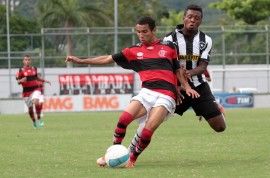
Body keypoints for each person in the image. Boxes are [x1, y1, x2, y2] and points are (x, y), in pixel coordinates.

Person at [65, 16, 199, 168]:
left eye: (145, 31)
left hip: (166, 95)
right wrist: (81, 61)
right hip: (147, 92)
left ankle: (132, 159)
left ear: (154, 30)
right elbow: (107, 58)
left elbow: (177, 70)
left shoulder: (168, 47)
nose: (141, 35)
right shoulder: (134, 51)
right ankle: (111, 153)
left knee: (147, 131)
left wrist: (186, 87)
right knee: (123, 120)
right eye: (138, 32)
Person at [128, 5, 226, 151]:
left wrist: (189, 74)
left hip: (199, 87)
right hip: (175, 88)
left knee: (220, 127)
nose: (192, 20)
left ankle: (210, 107)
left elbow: (203, 66)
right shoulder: (170, 39)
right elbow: (166, 66)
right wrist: (176, 85)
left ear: (200, 21)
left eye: (196, 18)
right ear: (184, 18)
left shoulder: (206, 40)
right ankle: (129, 150)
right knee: (152, 120)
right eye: (190, 17)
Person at [16, 55, 51, 128]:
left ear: (30, 61)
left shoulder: (34, 68)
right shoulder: (21, 70)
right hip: (26, 92)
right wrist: (21, 80)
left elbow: (36, 78)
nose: (27, 61)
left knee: (36, 101)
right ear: (23, 61)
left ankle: (39, 117)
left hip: (35, 89)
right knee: (30, 109)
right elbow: (18, 81)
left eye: (28, 60)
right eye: (26, 60)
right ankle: (34, 121)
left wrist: (45, 81)